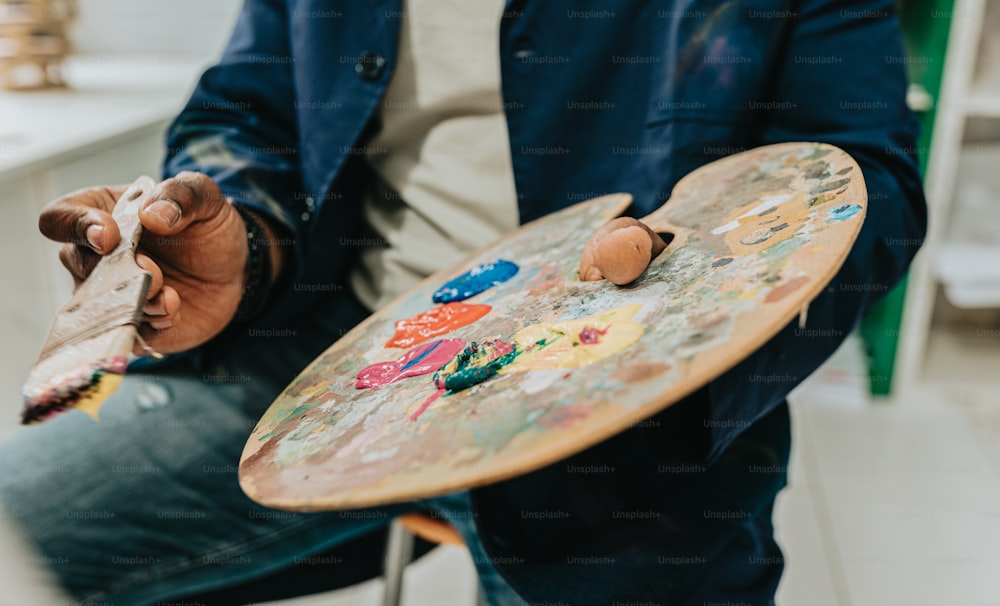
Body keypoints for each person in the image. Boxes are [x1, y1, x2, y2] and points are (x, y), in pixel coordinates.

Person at [1, 0, 927, 604]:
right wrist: (246, 246)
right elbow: (249, 112)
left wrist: (693, 274)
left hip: (628, 415)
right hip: (332, 356)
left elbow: (866, 177)